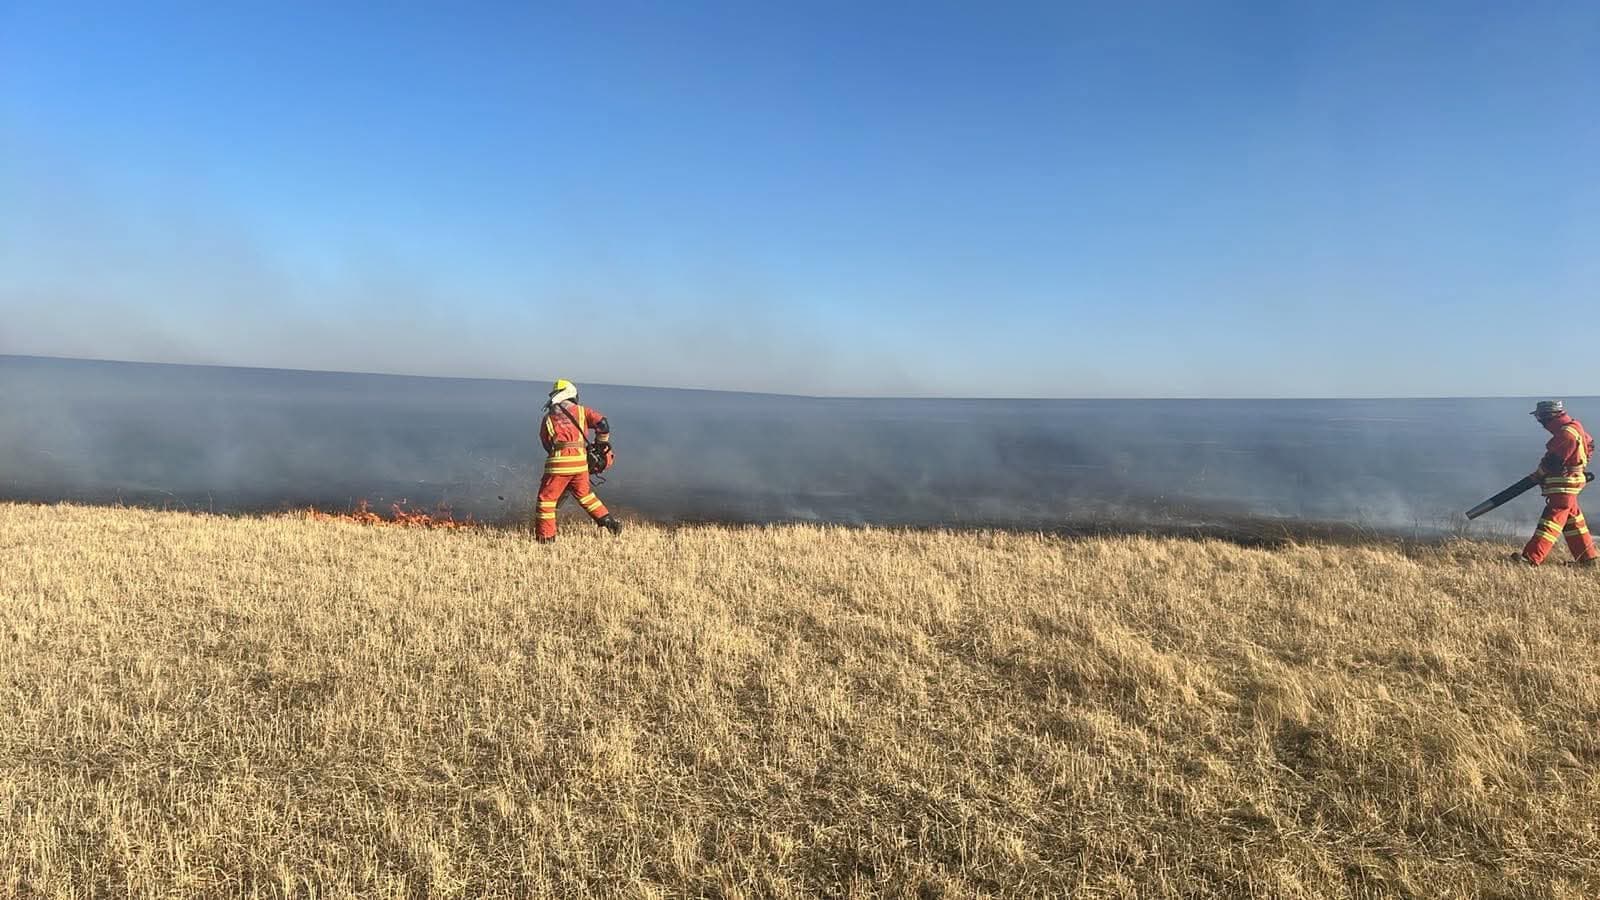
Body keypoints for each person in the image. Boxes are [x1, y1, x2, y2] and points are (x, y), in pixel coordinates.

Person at [535, 379, 622, 543]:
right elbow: (603, 423)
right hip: (581, 463)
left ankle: (546, 539)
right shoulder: (582, 411)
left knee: (546, 500)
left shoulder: (548, 418)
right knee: (585, 496)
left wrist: (559, 457)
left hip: (559, 463)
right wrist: (601, 444)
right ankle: (610, 523)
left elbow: (546, 443)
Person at [1512, 400, 1597, 566]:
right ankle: (1587, 560)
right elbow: (1590, 444)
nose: (1540, 423)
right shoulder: (1574, 427)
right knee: (1574, 523)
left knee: (1552, 520)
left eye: (1540, 418)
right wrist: (1579, 465)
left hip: (1563, 485)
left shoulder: (1565, 434)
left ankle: (1531, 559)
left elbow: (1553, 461)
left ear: (1548, 417)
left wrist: (1539, 474)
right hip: (1572, 481)